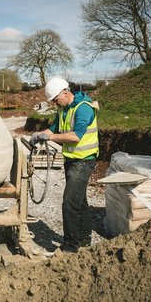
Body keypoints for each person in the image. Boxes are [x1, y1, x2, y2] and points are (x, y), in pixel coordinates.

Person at [30, 77, 99, 253]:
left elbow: (76, 136)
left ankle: (70, 247)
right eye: (52, 101)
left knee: (69, 202)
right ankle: (84, 239)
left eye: (55, 99)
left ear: (65, 92)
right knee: (80, 201)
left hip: (84, 160)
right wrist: (39, 134)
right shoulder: (63, 109)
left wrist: (50, 138)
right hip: (72, 159)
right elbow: (53, 129)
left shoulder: (83, 108)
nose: (54, 103)